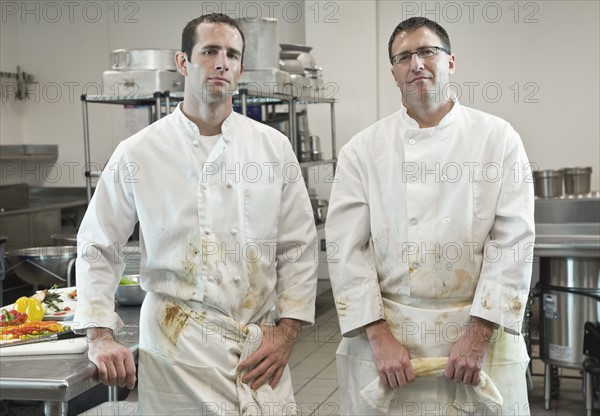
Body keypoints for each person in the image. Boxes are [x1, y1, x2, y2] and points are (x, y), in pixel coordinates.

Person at [74, 13, 318, 415]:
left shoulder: (272, 148)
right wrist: (100, 334)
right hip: (176, 345)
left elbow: (299, 246)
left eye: (232, 55)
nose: (221, 62)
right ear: (183, 62)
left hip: (260, 344)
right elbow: (97, 245)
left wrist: (288, 332)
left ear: (240, 68)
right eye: (209, 51)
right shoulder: (139, 151)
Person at [326, 16, 535, 415]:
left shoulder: (498, 138)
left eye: (427, 51)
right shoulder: (362, 150)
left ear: (450, 62)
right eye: (404, 57)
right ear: (393, 74)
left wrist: (477, 336)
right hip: (388, 346)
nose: (416, 63)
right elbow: (345, 250)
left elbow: (513, 241)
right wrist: (378, 336)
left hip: (478, 339)